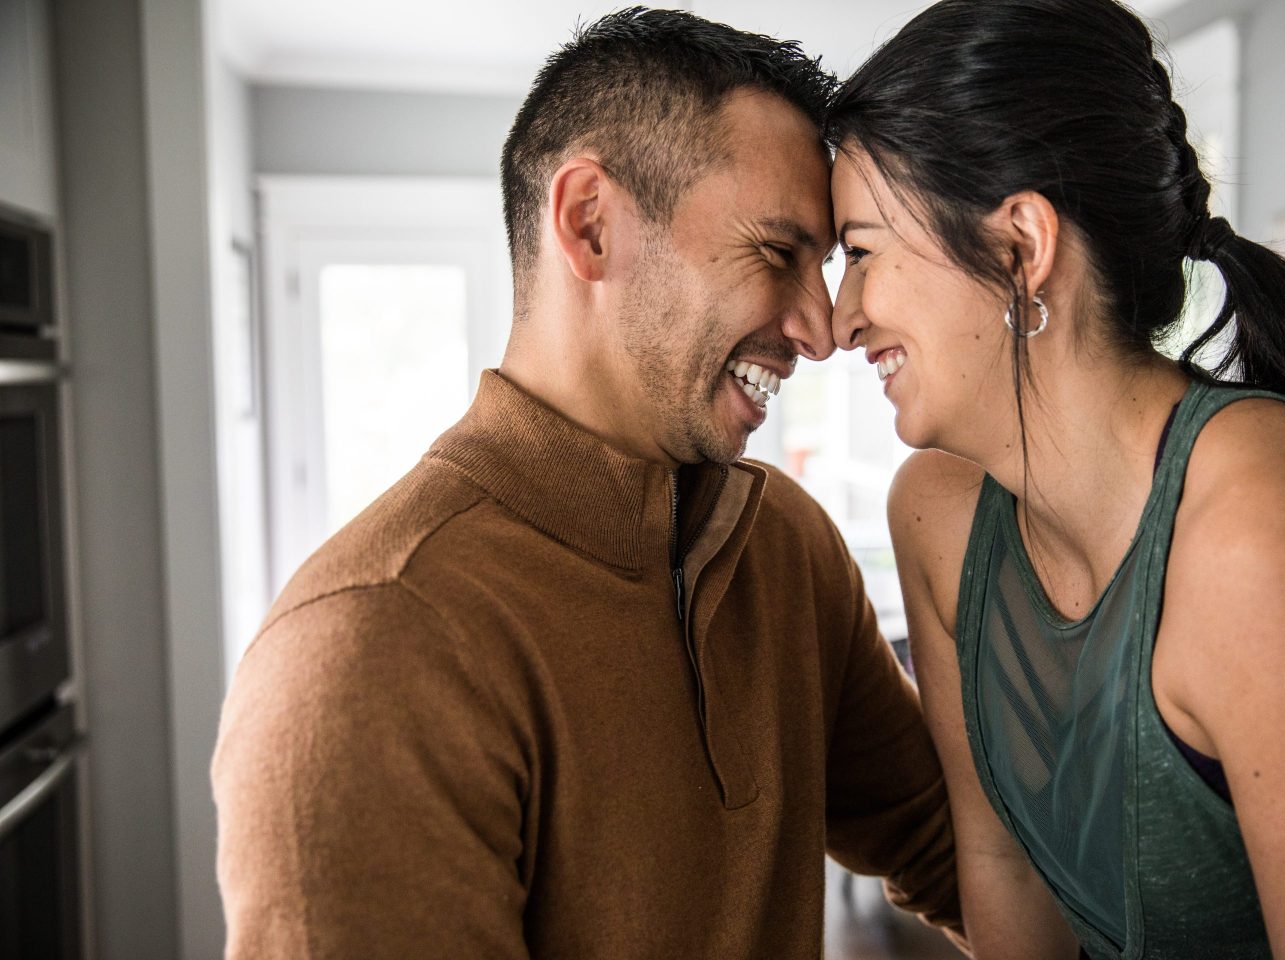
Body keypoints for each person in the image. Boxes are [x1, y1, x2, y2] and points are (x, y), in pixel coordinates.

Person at [212, 9, 966, 959]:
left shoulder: (787, 547)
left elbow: (946, 849)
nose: (821, 330)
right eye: (779, 253)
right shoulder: (366, 650)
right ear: (590, 224)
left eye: (829, 265)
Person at [825, 1, 1285, 958]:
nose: (839, 318)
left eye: (860, 253)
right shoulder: (940, 519)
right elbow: (1004, 875)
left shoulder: (1270, 541)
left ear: (1022, 247)